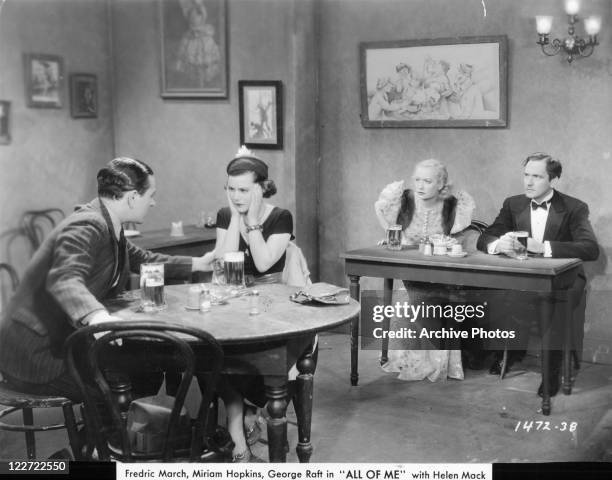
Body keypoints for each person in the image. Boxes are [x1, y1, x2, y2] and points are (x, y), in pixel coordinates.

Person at [0, 157, 213, 403]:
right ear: (132, 197)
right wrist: (98, 317)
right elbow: (63, 278)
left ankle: (124, 435)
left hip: (60, 342)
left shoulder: (109, 222)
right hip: (33, 354)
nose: (153, 203)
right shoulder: (89, 223)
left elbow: (141, 258)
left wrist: (197, 263)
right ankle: (109, 439)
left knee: (146, 367)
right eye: (151, 195)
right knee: (120, 383)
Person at [477, 152, 599, 396]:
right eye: (526, 175)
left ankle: (550, 373)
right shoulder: (513, 204)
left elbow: (590, 248)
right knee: (497, 294)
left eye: (537, 177)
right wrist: (497, 245)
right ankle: (510, 352)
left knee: (553, 302)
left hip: (565, 280)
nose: (528, 183)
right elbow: (485, 237)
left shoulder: (574, 207)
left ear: (552, 179)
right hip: (525, 278)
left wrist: (542, 247)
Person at [213, 146, 294, 462]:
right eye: (231, 189)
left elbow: (261, 264)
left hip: (272, 304)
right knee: (211, 357)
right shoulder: (226, 214)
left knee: (260, 360)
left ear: (262, 188)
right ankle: (239, 439)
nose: (236, 195)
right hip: (234, 302)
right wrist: (236, 215)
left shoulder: (280, 217)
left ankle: (248, 416)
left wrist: (253, 221)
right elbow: (226, 262)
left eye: (244, 190)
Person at [374, 158, 475, 381]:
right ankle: (418, 359)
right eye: (417, 180)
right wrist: (392, 238)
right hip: (412, 271)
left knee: (434, 301)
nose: (420, 186)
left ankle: (439, 360)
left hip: (444, 272)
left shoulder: (452, 205)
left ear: (441, 184)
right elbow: (394, 230)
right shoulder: (404, 201)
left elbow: (456, 240)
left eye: (427, 181)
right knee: (414, 299)